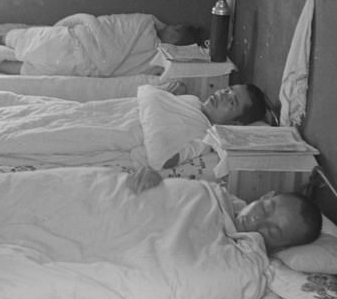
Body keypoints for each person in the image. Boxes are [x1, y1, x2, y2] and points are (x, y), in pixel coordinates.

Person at [0, 13, 202, 77]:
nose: (168, 27)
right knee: (4, 65)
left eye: (174, 29)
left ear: (176, 36)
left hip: (67, 43)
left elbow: (100, 24)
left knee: (3, 37)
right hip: (73, 67)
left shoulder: (144, 23)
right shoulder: (157, 61)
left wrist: (67, 24)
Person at [126, 167, 322, 253]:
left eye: (270, 231)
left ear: (279, 248)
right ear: (265, 196)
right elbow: (183, 195)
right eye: (265, 208)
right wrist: (157, 181)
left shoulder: (242, 257)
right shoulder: (224, 200)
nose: (256, 221)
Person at [160, 83, 268, 169]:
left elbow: (165, 160)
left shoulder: (204, 139)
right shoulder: (193, 100)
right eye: (227, 90)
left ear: (236, 123)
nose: (221, 95)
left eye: (231, 102)